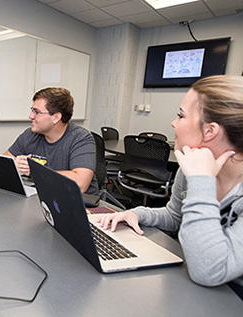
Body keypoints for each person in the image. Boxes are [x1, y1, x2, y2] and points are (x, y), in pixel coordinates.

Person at [98, 75, 243, 298]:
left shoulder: (196, 172)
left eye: (181, 115)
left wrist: (201, 182)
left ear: (210, 131)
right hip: (193, 279)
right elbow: (175, 215)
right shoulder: (191, 165)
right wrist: (137, 213)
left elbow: (210, 270)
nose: (174, 123)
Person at [4, 87, 99, 194]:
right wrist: (15, 165)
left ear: (56, 117)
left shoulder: (81, 138)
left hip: (80, 204)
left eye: (37, 112)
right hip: (44, 197)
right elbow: (2, 164)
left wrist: (36, 170)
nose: (30, 116)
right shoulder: (30, 134)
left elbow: (80, 184)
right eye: (32, 110)